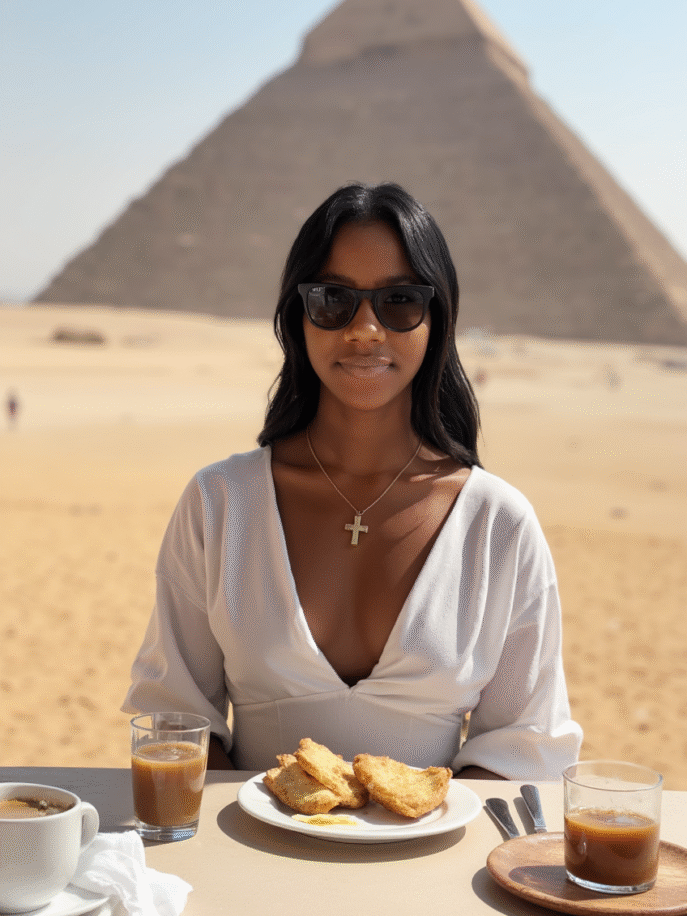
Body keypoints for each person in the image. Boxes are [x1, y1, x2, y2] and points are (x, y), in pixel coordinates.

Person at [123, 182, 582, 778]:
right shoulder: (220, 504)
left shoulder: (498, 524)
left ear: (435, 320)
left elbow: (525, 741)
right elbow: (173, 715)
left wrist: (409, 826)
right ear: (299, 316)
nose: (366, 330)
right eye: (333, 299)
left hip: (432, 862)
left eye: (399, 302)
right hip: (245, 853)